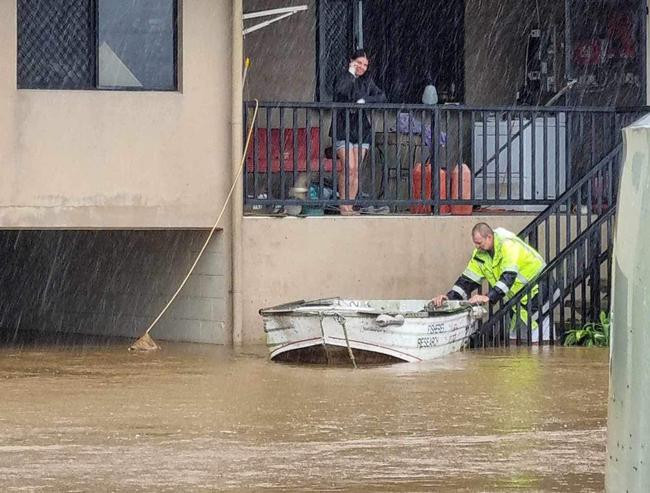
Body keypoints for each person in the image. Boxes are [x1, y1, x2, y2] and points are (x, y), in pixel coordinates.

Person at [431, 222, 552, 341]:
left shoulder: (508, 245)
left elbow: (509, 276)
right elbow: (466, 281)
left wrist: (488, 297)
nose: (477, 246)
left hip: (540, 290)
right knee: (515, 342)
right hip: (518, 300)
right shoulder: (480, 255)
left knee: (540, 341)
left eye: (479, 243)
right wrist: (448, 297)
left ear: (489, 237)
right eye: (475, 243)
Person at [330, 49, 386, 215]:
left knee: (356, 170)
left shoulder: (367, 81)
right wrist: (351, 73)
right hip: (342, 127)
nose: (363, 67)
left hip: (362, 129)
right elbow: (341, 90)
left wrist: (364, 100)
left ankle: (350, 206)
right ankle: (343, 206)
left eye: (365, 65)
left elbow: (381, 96)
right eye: (360, 63)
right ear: (352, 61)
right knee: (348, 167)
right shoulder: (342, 77)